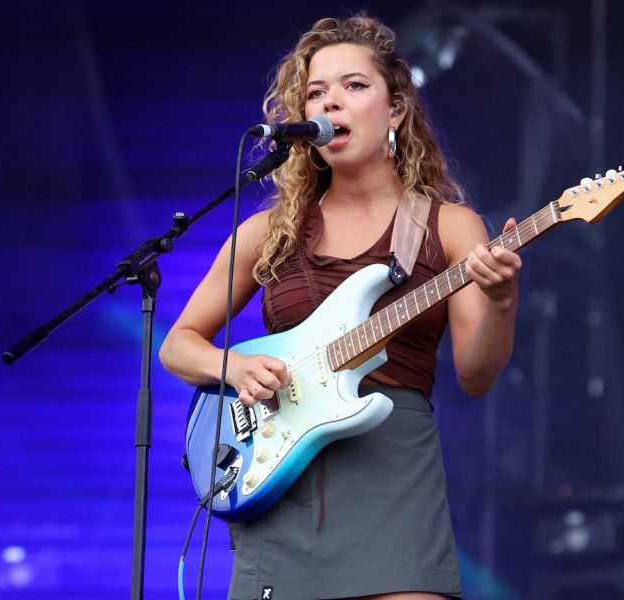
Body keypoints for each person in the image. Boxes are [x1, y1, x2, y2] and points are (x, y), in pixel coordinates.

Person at [159, 14, 521, 600]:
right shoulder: (266, 232)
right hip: (278, 471)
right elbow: (178, 345)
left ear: (396, 109)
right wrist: (234, 367)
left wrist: (502, 300)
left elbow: (476, 376)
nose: (332, 103)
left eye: (354, 86)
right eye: (316, 93)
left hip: (393, 475)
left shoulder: (449, 227)